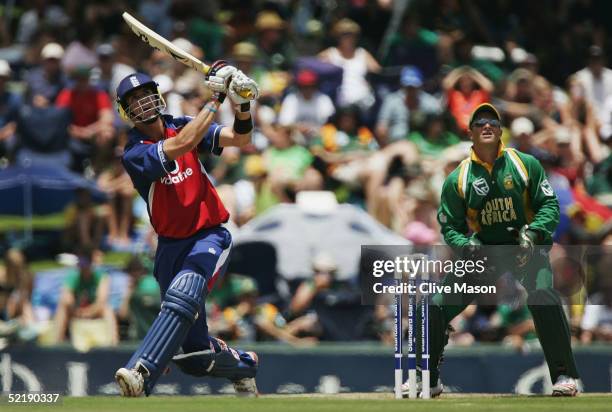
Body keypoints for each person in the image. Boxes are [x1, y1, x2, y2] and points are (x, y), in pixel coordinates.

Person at [406, 103, 580, 397]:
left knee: (544, 296)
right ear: (471, 132)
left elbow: (549, 205)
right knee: (436, 305)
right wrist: (467, 247)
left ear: (501, 130)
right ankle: (428, 379)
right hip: (485, 248)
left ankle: (564, 375)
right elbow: (450, 226)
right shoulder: (459, 178)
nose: (486, 126)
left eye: (493, 122)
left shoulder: (525, 164)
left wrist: (535, 232)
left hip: (524, 245)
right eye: (479, 122)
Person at [112, 63, 261, 397]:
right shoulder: (134, 153)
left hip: (209, 234)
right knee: (195, 356)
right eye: (134, 100)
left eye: (147, 94)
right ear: (126, 111)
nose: (144, 103)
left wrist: (242, 104)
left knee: (186, 290)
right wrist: (216, 98)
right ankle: (244, 365)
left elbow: (242, 137)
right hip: (169, 247)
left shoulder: (181, 124)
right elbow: (181, 145)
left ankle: (141, 370)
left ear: (159, 97)